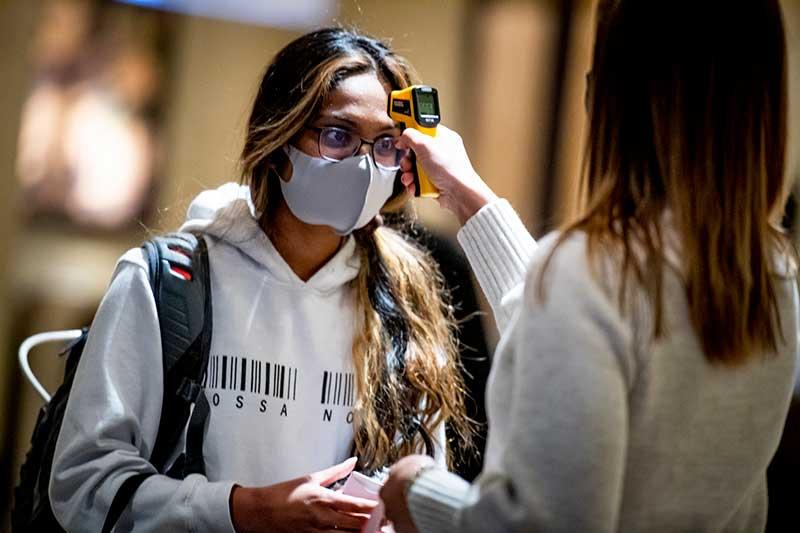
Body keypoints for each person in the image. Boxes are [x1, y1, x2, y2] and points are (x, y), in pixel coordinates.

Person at [49, 28, 533, 532]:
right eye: (338, 136)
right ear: (279, 144)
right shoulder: (169, 282)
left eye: (386, 144)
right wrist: (246, 510)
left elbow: (418, 489)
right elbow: (83, 483)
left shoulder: (406, 301)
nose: (364, 165)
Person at [380, 1, 798, 531]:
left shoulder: (590, 273)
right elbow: (571, 330)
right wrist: (467, 197)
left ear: (615, 96)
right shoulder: (772, 274)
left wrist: (419, 489)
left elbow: (542, 522)